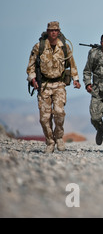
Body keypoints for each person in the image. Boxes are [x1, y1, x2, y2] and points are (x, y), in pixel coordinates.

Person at [26, 21, 81, 153]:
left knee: (59, 112)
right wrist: (32, 79)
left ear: (59, 32)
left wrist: (76, 79)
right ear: (47, 31)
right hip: (44, 85)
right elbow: (30, 67)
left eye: (56, 30)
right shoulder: (39, 47)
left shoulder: (64, 47)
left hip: (59, 85)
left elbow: (72, 65)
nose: (54, 32)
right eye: (51, 30)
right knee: (44, 118)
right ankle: (50, 141)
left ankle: (59, 137)